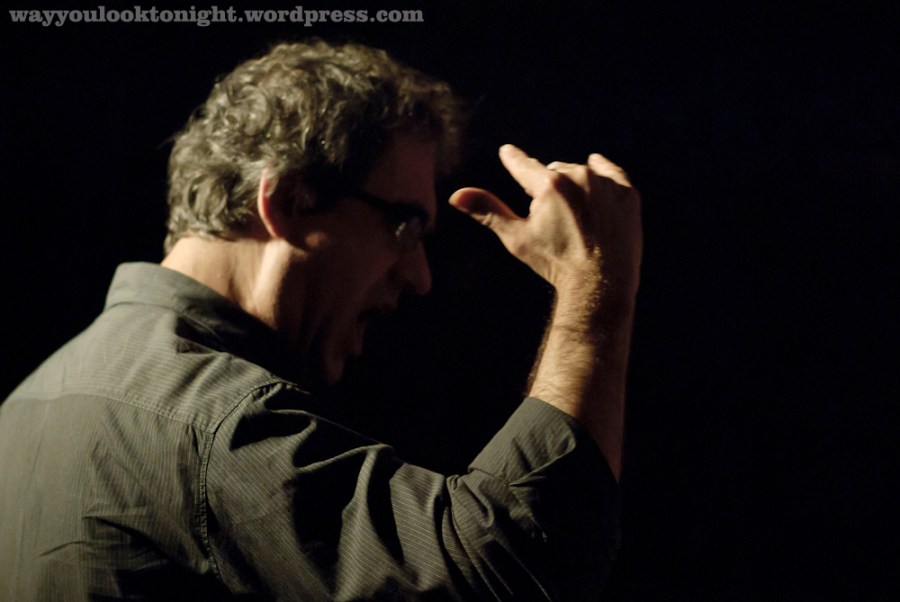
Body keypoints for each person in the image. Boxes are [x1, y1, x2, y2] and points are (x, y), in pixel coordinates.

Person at [0, 40, 642, 600]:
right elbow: (510, 570)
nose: (419, 276)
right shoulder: (215, 421)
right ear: (288, 201)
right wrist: (594, 286)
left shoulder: (26, 403)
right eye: (403, 226)